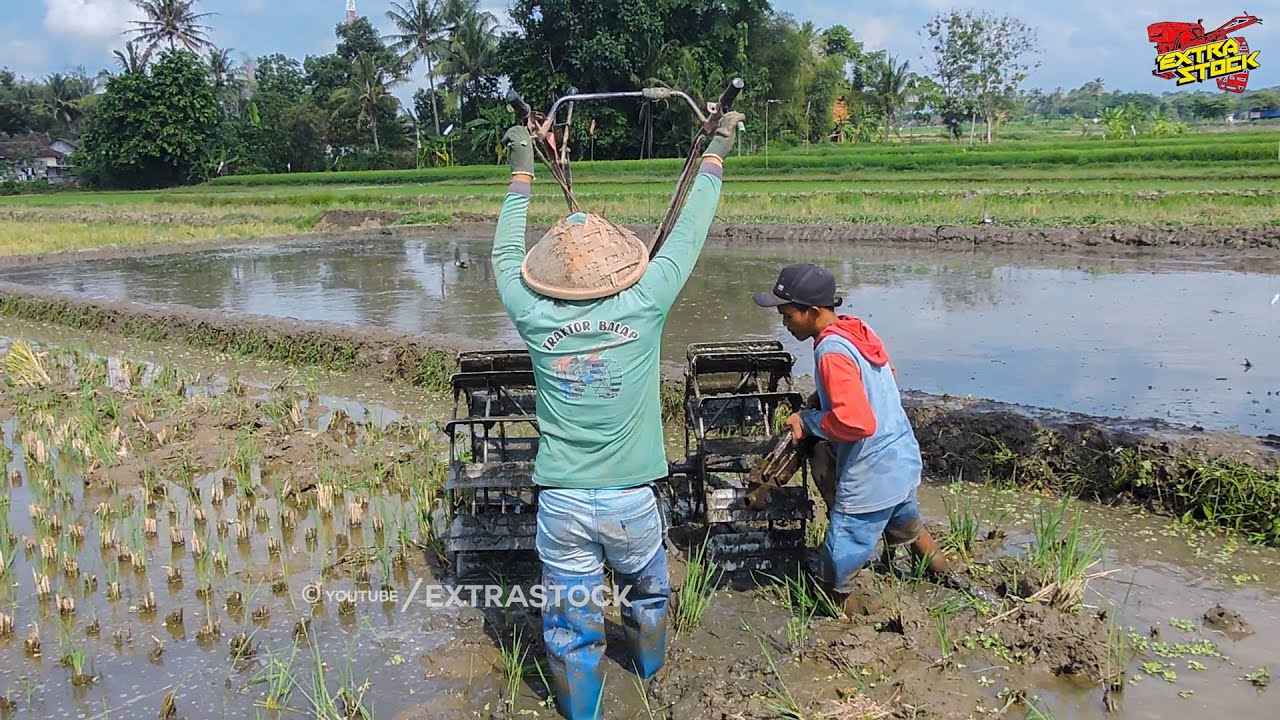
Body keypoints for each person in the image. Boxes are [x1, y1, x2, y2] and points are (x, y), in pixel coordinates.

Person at [492, 110, 744, 720]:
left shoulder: (532, 314)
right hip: (632, 501)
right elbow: (688, 235)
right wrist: (714, 156)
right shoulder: (646, 301)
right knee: (648, 594)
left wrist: (521, 172)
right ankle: (649, 674)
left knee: (570, 625)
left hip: (562, 505)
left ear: (548, 277)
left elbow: (502, 255)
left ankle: (582, 711)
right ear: (621, 265)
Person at [752, 263, 963, 616]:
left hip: (871, 471)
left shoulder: (830, 353)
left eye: (788, 315)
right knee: (905, 519)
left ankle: (843, 617)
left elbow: (856, 422)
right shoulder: (855, 330)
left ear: (812, 312)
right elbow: (885, 375)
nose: (785, 323)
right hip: (900, 458)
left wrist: (809, 420)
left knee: (840, 551)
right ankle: (945, 575)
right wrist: (824, 399)